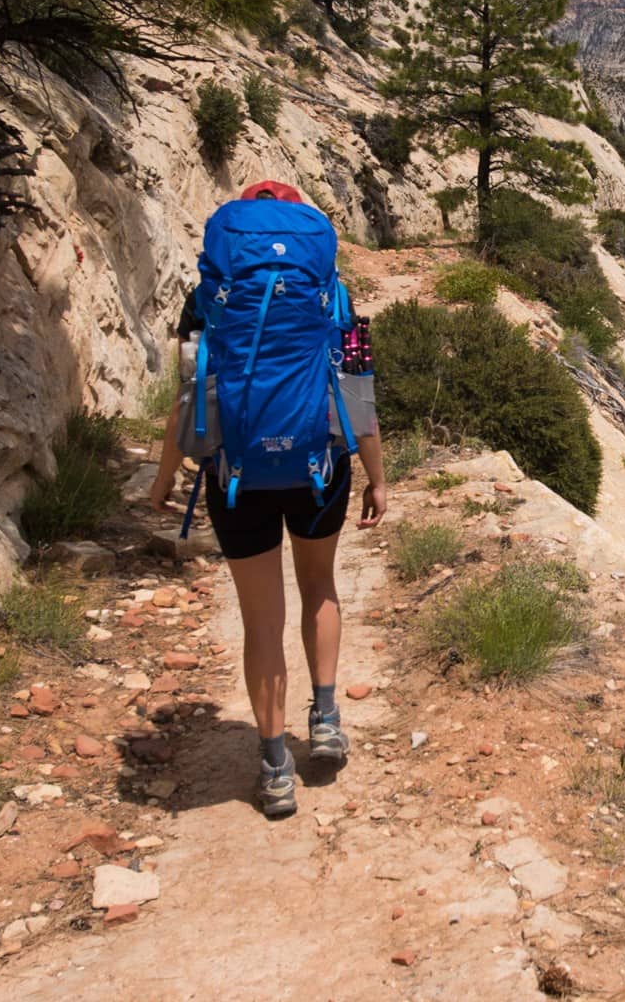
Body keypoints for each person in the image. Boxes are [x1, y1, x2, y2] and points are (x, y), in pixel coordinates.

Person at [148, 181, 386, 818]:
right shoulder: (332, 296)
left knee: (261, 620)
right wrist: (376, 474)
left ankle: (275, 763)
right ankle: (328, 717)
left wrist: (163, 479)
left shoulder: (209, 298)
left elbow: (189, 394)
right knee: (320, 588)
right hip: (319, 467)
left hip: (236, 473)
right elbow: (358, 393)